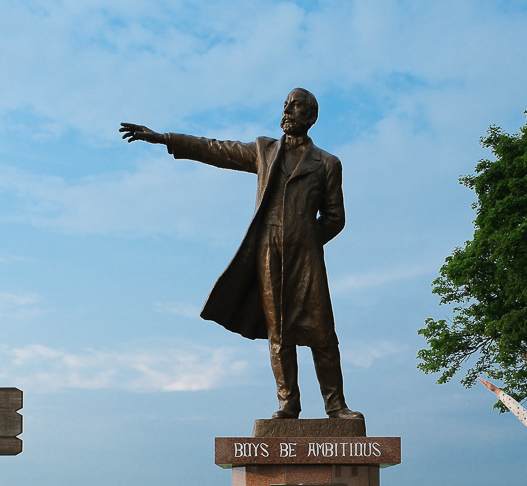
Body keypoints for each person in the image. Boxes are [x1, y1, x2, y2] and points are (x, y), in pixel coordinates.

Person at [119, 89, 362, 420]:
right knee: (278, 332)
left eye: (296, 106)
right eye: (286, 105)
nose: (288, 110)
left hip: (305, 257)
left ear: (311, 117)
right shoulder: (265, 151)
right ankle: (288, 403)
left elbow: (335, 218)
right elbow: (217, 149)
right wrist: (165, 139)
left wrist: (304, 239)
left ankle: (336, 405)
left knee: (321, 331)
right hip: (267, 254)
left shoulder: (328, 164)